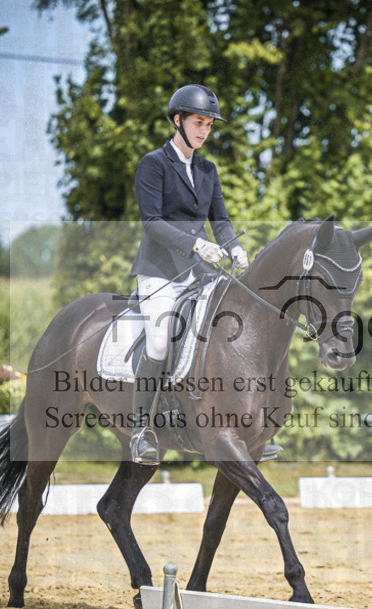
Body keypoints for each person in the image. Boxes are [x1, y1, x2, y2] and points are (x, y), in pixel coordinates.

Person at [129, 84, 248, 464]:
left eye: (209, 126)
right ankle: (140, 430)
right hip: (159, 272)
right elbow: (152, 223)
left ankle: (247, 424)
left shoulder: (208, 170)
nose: (204, 131)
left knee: (232, 329)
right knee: (160, 344)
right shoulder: (153, 164)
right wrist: (196, 245)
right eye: (199, 122)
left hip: (199, 274)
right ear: (178, 121)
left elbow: (221, 222)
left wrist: (235, 247)